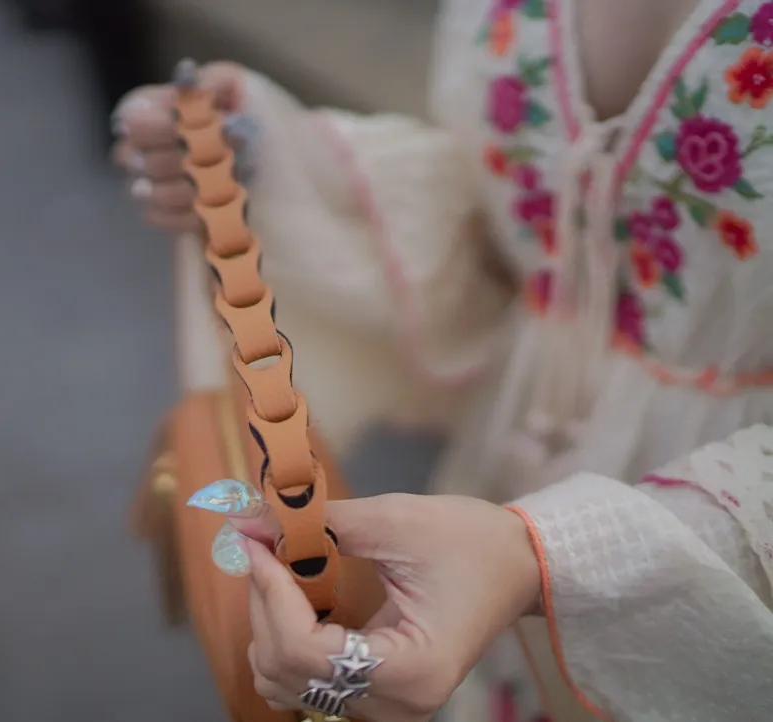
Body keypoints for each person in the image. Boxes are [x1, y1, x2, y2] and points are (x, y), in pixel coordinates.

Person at [111, 0, 773, 719]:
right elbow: (497, 221)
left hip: (710, 518)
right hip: (503, 451)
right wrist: (280, 163)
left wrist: (548, 556)